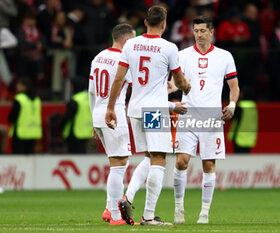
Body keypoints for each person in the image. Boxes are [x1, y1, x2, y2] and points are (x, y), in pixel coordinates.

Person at [105, 5, 191, 226]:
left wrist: (111, 107)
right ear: (164, 24)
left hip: (133, 109)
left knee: (148, 157)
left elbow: (118, 79)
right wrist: (186, 86)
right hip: (155, 109)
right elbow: (179, 81)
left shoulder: (131, 44)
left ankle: (128, 197)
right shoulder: (169, 47)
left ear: (145, 23)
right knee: (159, 159)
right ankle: (149, 216)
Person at [173, 16, 239, 224]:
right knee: (181, 161)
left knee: (209, 164)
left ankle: (204, 213)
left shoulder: (224, 56)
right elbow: (174, 84)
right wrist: (169, 91)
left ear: (211, 32)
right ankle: (179, 209)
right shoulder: (182, 55)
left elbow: (234, 87)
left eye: (203, 30)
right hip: (188, 115)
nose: (199, 34)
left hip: (212, 117)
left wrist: (232, 104)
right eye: (196, 30)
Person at [89, 24, 135, 226]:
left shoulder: (98, 57)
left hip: (99, 114)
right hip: (114, 114)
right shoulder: (123, 60)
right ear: (126, 41)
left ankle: (109, 209)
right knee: (119, 165)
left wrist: (93, 119)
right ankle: (116, 216)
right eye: (132, 42)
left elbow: (91, 91)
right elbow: (139, 85)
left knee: (117, 162)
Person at [8, 78, 42, 154]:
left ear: (24, 86)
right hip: (33, 132)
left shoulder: (20, 98)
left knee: (18, 158)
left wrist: (11, 121)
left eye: (19, 85)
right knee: (30, 159)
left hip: (20, 133)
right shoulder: (37, 99)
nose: (17, 86)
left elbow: (12, 116)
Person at [61, 77, 93, 154]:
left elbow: (68, 117)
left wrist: (60, 125)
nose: (70, 87)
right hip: (87, 132)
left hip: (75, 133)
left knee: (75, 155)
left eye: (71, 85)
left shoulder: (75, 100)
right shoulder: (88, 98)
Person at [229, 87, 258, 153]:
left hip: (239, 138)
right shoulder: (253, 107)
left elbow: (231, 117)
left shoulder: (241, 107)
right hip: (250, 138)